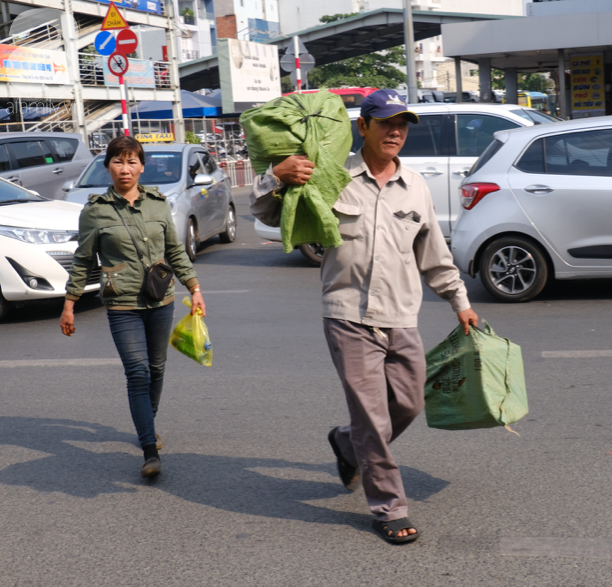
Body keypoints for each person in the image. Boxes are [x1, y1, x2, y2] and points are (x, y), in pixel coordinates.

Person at [251, 90, 479, 544]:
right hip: (348, 314)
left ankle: (344, 440)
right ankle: (389, 506)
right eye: (386, 122)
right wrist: (274, 175)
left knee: (410, 403)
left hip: (401, 315)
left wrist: (460, 301)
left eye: (403, 124)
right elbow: (267, 212)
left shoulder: (415, 186)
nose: (396, 131)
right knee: (374, 419)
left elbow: (433, 253)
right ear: (363, 127)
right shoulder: (332, 175)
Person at [60, 136, 206, 479]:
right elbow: (82, 262)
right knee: (137, 372)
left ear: (142, 166)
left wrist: (195, 287)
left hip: (161, 299)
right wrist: (70, 304)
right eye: (117, 162)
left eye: (132, 162)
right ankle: (149, 450)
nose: (125, 169)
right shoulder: (95, 211)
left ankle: (147, 421)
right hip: (121, 304)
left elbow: (175, 250)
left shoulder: (158, 204)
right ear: (108, 166)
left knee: (156, 368)